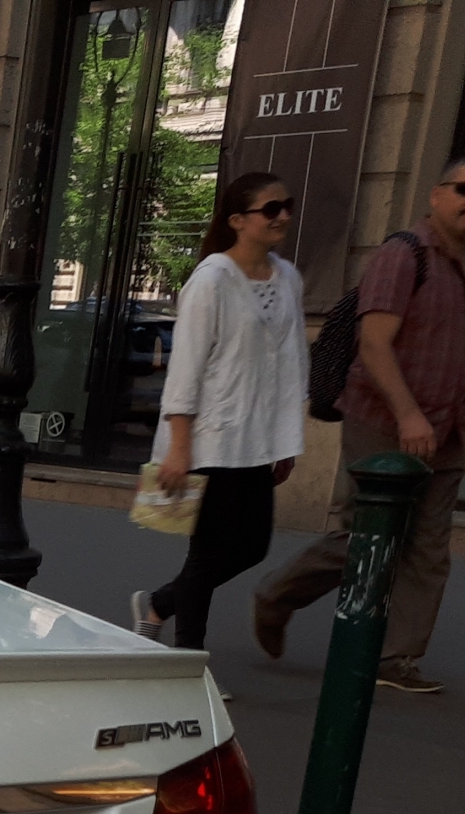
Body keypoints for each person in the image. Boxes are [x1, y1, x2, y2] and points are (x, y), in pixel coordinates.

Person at [252, 148, 465, 693]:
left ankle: (396, 660)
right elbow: (374, 343)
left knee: (428, 547)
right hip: (385, 420)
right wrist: (408, 414)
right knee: (369, 536)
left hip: (449, 428)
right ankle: (276, 594)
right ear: (438, 195)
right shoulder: (405, 255)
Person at [133, 172, 306, 650]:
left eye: (286, 205)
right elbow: (185, 371)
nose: (283, 216)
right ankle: (189, 661)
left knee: (252, 548)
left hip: (256, 442)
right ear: (237, 220)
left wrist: (285, 442)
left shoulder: (288, 278)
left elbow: (292, 366)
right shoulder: (211, 280)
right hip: (211, 439)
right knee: (207, 557)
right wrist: (180, 450)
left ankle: (160, 604)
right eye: (271, 209)